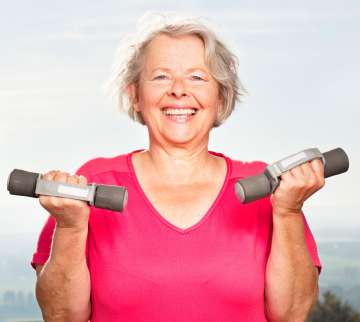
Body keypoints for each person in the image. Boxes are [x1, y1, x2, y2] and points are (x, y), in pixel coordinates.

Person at [31, 12, 324, 322]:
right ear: (135, 96)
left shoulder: (264, 187)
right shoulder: (94, 183)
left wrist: (289, 213)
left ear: (220, 96)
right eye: (161, 76)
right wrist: (70, 227)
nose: (179, 90)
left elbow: (291, 315)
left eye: (197, 77)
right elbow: (61, 316)